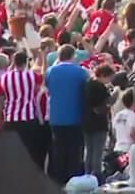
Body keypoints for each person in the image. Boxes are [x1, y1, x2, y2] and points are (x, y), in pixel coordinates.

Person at [46, 44, 90, 185]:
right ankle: (72, 178)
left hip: (56, 117)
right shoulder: (81, 72)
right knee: (74, 150)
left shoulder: (51, 71)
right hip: (75, 116)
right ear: (73, 56)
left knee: (58, 149)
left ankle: (58, 179)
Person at [83, 64, 115, 181]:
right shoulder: (101, 87)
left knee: (89, 151)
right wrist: (115, 95)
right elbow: (106, 103)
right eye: (109, 77)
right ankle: (96, 176)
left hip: (86, 122)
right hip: (99, 123)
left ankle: (87, 174)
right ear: (103, 75)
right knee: (98, 151)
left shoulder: (87, 85)